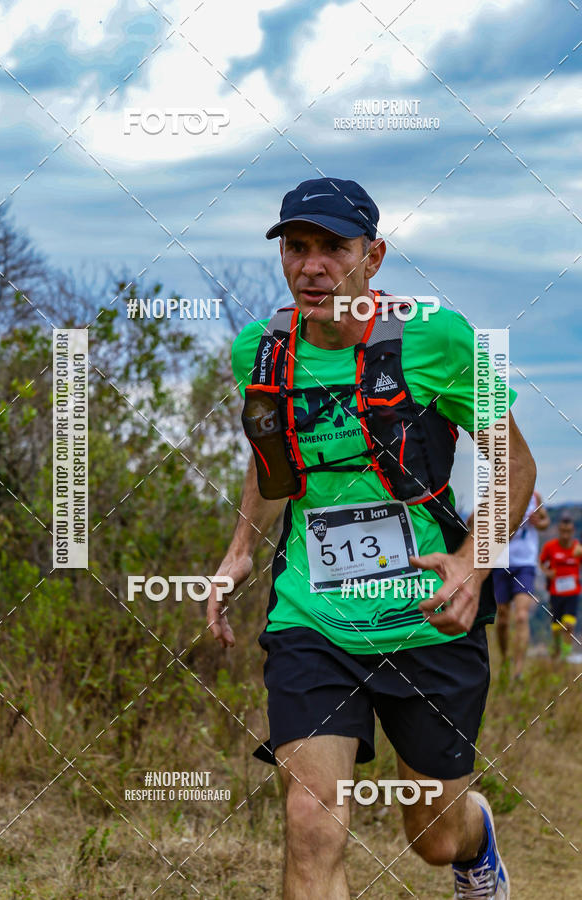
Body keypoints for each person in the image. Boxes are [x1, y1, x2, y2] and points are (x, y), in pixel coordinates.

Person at [208, 178, 537, 899]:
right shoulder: (258, 353)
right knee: (311, 815)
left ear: (373, 256)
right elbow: (273, 469)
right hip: (311, 617)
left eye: (334, 248)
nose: (313, 266)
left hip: (426, 616)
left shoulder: (441, 337)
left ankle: (475, 845)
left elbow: (514, 460)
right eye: (297, 248)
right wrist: (239, 553)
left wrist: (471, 568)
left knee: (434, 835)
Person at [493, 489, 549, 678]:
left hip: (525, 563)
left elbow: (545, 521)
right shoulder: (495, 492)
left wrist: (539, 521)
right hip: (501, 561)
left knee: (522, 617)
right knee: (502, 617)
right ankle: (504, 658)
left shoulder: (535, 496)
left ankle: (518, 670)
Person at [539, 515, 582, 659]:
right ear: (558, 530)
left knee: (569, 625)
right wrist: (548, 572)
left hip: (573, 593)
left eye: (568, 531)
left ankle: (565, 656)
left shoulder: (578, 549)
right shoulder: (550, 547)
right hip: (555, 594)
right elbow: (541, 563)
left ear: (573, 531)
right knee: (556, 628)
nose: (565, 535)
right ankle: (557, 650)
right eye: (563, 531)